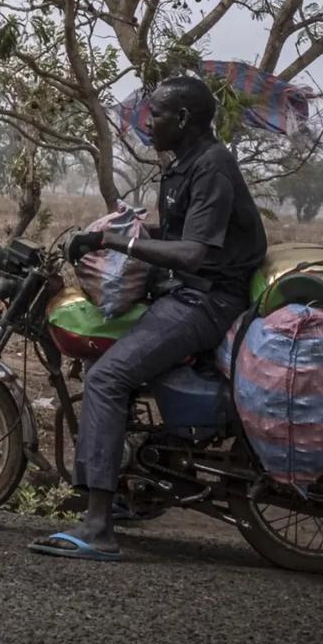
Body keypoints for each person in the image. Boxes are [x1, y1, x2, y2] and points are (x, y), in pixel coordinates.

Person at [30, 74, 268, 561]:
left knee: (107, 378)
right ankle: (124, 488)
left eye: (156, 113)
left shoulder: (213, 167)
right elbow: (179, 232)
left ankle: (98, 529)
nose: (148, 121)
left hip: (207, 300)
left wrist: (116, 243)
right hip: (187, 293)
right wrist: (114, 229)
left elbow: (193, 253)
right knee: (103, 365)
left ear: (183, 119)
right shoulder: (186, 165)